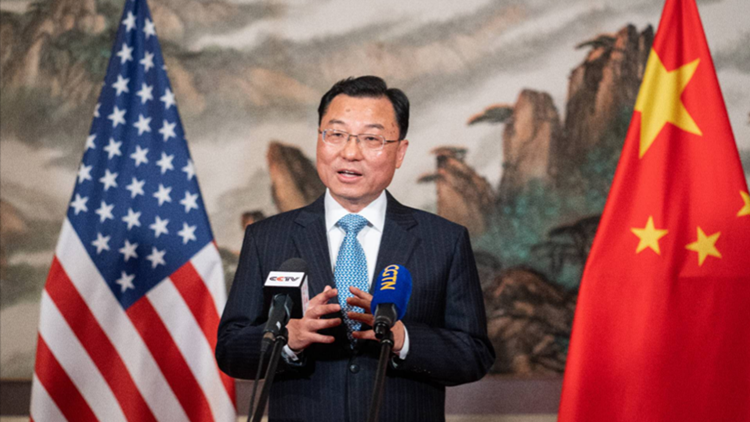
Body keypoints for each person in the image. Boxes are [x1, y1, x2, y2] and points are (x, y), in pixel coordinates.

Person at [216, 76, 495, 422]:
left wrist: (402, 338)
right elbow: (230, 350)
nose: (349, 153)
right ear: (319, 139)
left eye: (371, 139)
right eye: (335, 134)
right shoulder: (267, 238)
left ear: (400, 152)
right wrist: (288, 338)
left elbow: (474, 354)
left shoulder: (444, 240)